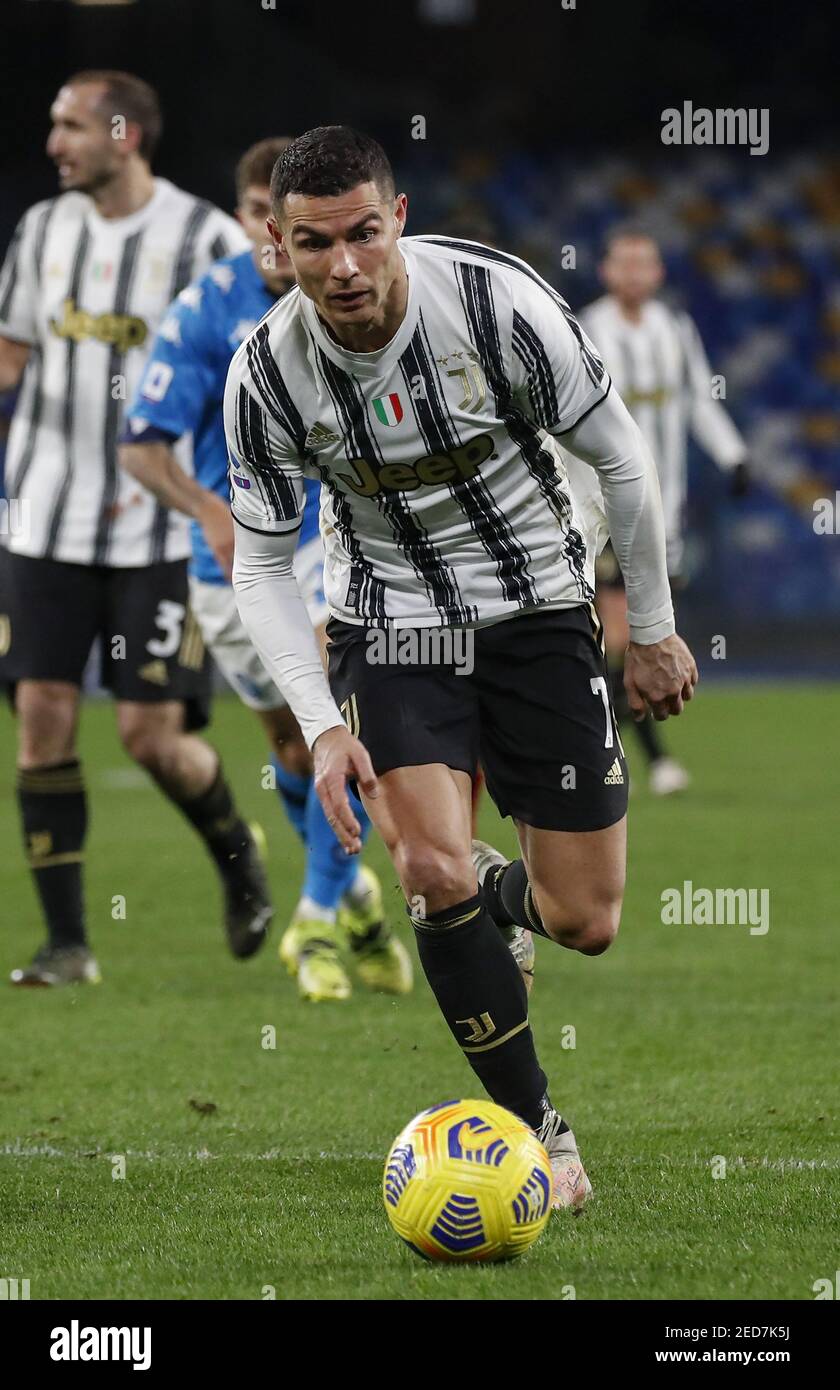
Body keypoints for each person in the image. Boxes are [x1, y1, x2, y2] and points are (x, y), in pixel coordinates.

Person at [225, 126, 697, 1209]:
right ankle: (538, 1135)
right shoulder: (266, 374)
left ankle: (493, 893)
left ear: (396, 217)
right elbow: (260, 564)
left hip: (536, 607)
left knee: (584, 921)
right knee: (426, 870)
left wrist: (659, 627)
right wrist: (322, 724)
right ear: (275, 241)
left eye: (361, 234)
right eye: (312, 244)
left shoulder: (496, 302)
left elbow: (619, 456)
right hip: (392, 624)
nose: (342, 265)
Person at [119, 137, 412, 1003]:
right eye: (256, 217)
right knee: (292, 745)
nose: (273, 240)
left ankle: (314, 920)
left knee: (333, 711)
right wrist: (210, 512)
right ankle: (353, 895)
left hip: (338, 539)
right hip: (240, 554)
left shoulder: (363, 292)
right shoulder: (211, 307)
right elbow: (140, 445)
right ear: (254, 218)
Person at [0, 70, 271, 986]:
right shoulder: (41, 231)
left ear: (124, 133)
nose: (53, 143)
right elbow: (11, 353)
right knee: (42, 716)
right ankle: (67, 943)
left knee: (150, 735)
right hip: (42, 515)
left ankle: (238, 854)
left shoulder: (206, 239)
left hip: (163, 526)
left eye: (70, 125)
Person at [581, 227, 748, 795]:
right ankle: (647, 759)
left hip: (665, 510)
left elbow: (700, 400)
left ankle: (611, 753)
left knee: (639, 638)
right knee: (620, 636)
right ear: (606, 271)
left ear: (657, 273)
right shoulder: (588, 328)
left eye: (644, 263)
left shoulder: (675, 330)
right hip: (605, 508)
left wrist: (734, 457)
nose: (634, 273)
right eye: (623, 263)